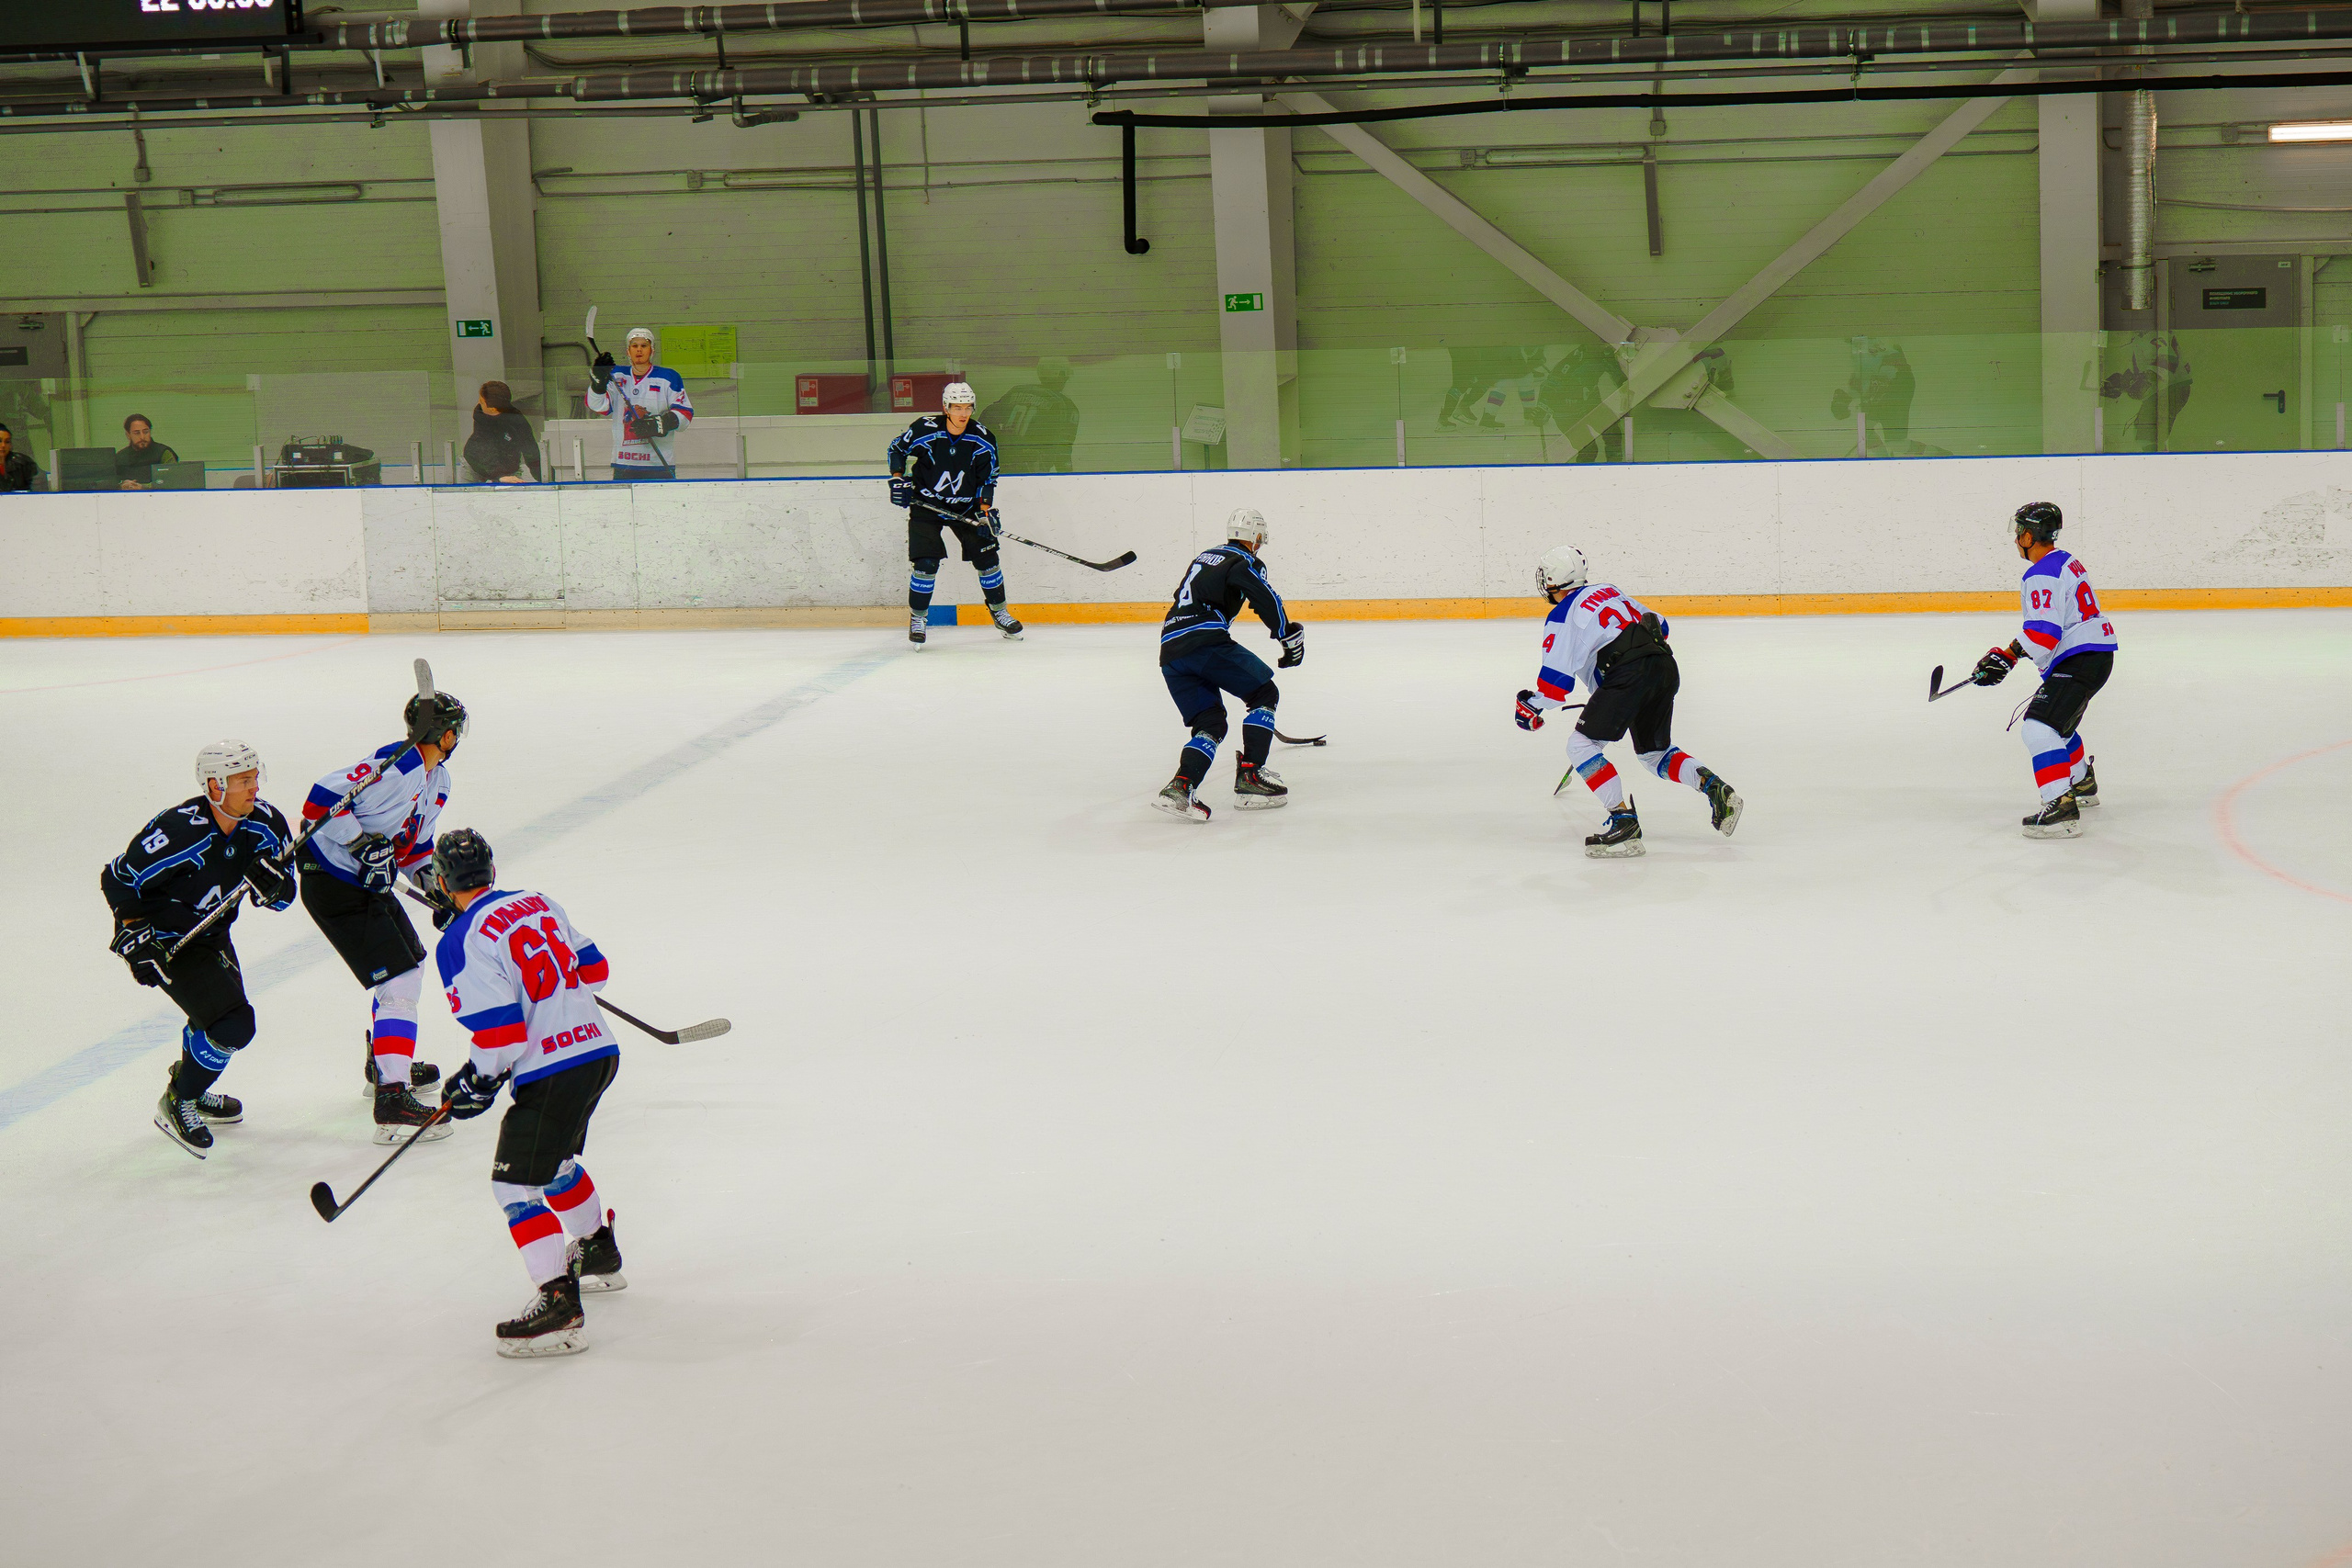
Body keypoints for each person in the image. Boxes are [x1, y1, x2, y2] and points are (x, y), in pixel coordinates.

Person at [430, 829, 623, 1358]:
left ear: (443, 884)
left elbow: (501, 1037)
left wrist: (478, 1079)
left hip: (551, 1069)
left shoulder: (460, 940)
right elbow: (598, 972)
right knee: (555, 1161)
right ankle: (597, 1251)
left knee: (515, 1188)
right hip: (598, 1054)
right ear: (492, 872)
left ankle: (559, 1304)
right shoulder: (538, 902)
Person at [100, 742, 298, 1158]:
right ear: (213, 785)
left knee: (214, 1019)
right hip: (170, 938)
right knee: (233, 1024)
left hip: (212, 933)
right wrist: (136, 936)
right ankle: (180, 1098)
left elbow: (283, 899)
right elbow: (118, 879)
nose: (254, 788)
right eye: (243, 781)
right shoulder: (178, 831)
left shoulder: (266, 824)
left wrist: (275, 886)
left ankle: (193, 1080)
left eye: (254, 778)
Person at [296, 686, 470, 1140]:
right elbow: (318, 803)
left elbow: (415, 849)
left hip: (365, 882)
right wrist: (360, 844)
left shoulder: (438, 781)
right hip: (332, 878)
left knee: (409, 967)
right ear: (444, 734)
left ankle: (385, 1065)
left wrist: (441, 895)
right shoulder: (397, 765)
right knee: (399, 981)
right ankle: (392, 1099)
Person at [1515, 546, 1742, 858]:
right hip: (1663, 665)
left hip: (1627, 676)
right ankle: (1715, 788)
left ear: (1554, 581)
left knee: (1581, 747)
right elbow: (1659, 625)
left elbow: (1555, 686)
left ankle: (1624, 824)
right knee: (1654, 753)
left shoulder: (1561, 614)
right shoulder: (1608, 590)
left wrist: (1531, 706)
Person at [1968, 502, 2117, 839]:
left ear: (2029, 535)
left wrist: (2005, 656)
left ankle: (2060, 808)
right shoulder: (2066, 561)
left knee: (2038, 728)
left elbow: (2043, 633)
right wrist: (2007, 657)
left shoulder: (2041, 573)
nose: (2016, 537)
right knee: (2058, 725)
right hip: (2095, 654)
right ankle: (2081, 781)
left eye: (2019, 530)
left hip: (2080, 658)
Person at [1151, 507, 1305, 821]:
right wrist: (1286, 635)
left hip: (1171, 651)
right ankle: (1251, 778)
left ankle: (1181, 786)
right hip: (1205, 642)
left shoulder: (1205, 557)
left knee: (1210, 724)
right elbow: (1264, 596)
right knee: (1264, 694)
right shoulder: (1243, 561)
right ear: (1257, 537)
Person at [888, 380, 1023, 648]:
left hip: (967, 508)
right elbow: (897, 449)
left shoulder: (983, 438)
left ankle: (1000, 613)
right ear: (945, 408)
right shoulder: (924, 429)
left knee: (988, 560)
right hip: (927, 506)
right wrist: (897, 479)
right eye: (957, 407)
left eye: (968, 407)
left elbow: (989, 479)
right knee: (926, 565)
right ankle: (918, 618)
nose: (963, 413)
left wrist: (985, 513)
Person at [585, 327, 691, 480]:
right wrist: (598, 383)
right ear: (628, 351)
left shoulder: (669, 377)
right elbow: (598, 406)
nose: (639, 350)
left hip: (659, 463)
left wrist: (661, 423)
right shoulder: (616, 375)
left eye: (644, 346)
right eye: (634, 346)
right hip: (624, 463)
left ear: (652, 350)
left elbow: (685, 414)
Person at [979, 357, 1081, 473]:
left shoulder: (1015, 391)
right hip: (1033, 468)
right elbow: (1062, 450)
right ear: (1063, 376)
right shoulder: (1065, 406)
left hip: (1003, 462)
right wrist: (1067, 478)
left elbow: (986, 420)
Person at [463, 381, 542, 483]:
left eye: (481, 401)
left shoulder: (516, 420)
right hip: (477, 466)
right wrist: (498, 476)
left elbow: (531, 451)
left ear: (492, 409)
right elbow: (474, 452)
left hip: (506, 469)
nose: (479, 403)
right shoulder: (481, 417)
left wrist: (545, 478)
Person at [114, 414, 181, 490]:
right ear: (128, 435)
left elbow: (174, 480)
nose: (142, 437)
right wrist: (122, 485)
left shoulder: (163, 452)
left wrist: (143, 487)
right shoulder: (120, 457)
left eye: (146, 432)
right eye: (137, 433)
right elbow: (112, 482)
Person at [0, 423, 43, 492]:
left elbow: (40, 489)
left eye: (7, 442)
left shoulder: (23, 463)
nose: (3, 445)